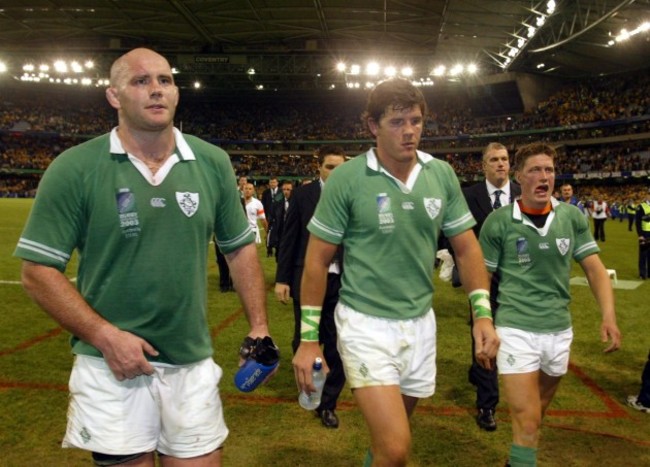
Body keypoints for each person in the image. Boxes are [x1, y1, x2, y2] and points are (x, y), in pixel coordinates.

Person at [13, 48, 275, 466]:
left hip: (191, 363)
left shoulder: (211, 162)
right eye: (140, 81)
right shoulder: (75, 167)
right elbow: (37, 270)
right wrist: (104, 336)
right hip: (111, 366)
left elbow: (239, 248)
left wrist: (259, 326)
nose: (156, 90)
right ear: (114, 96)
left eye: (165, 80)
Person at [292, 78, 499, 466]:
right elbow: (317, 260)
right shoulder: (347, 179)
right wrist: (308, 339)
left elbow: (468, 248)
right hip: (364, 324)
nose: (409, 131)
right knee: (396, 448)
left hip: (420, 324)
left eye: (416, 121)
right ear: (372, 125)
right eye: (397, 122)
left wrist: (482, 315)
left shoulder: (441, 175)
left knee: (391, 441)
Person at [479, 142, 621, 467]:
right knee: (528, 423)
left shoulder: (571, 217)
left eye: (549, 170)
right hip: (516, 330)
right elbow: (480, 279)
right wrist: (482, 322)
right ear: (518, 177)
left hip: (559, 332)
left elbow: (595, 269)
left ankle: (515, 460)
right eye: (535, 170)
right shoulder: (499, 222)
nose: (544, 177)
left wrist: (609, 316)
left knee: (534, 418)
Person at [275, 146, 347, 429]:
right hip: (307, 280)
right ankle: (310, 385)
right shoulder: (304, 195)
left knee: (338, 343)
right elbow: (289, 238)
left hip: (342, 282)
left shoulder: (351, 194)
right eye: (330, 167)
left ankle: (328, 404)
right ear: (318, 167)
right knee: (303, 339)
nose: (335, 173)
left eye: (340, 168)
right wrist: (282, 279)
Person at [461, 142, 521, 431]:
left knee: (513, 338)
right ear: (483, 165)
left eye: (505, 159)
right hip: (482, 278)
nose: (501, 164)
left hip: (520, 280)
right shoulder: (469, 195)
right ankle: (487, 404)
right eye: (494, 160)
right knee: (485, 337)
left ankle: (478, 370)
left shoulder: (523, 193)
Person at [267, 180, 293, 261]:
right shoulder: (277, 202)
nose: (285, 192)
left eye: (288, 189)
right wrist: (269, 245)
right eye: (284, 189)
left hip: (291, 233)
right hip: (280, 233)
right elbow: (271, 219)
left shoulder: (296, 202)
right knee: (279, 258)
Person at [262, 177, 283, 257]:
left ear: (277, 183)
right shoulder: (265, 192)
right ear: (269, 183)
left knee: (279, 233)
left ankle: (278, 250)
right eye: (271, 182)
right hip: (268, 217)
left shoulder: (281, 192)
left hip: (279, 217)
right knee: (268, 234)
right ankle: (269, 250)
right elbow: (263, 205)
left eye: (274, 182)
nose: (272, 184)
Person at [636, 193, 650, 280]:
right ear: (647, 197)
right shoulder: (641, 206)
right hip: (645, 233)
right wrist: (640, 234)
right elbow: (638, 221)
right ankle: (642, 273)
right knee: (643, 254)